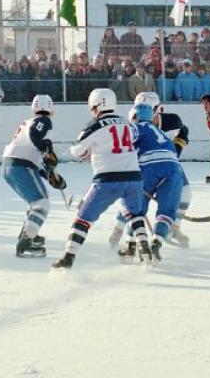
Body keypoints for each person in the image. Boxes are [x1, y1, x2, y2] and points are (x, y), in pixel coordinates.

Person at [51, 89, 149, 269]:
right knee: (134, 215)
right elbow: (133, 139)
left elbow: (77, 150)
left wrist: (88, 151)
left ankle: (68, 258)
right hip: (134, 177)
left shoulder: (95, 124)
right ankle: (146, 251)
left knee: (83, 218)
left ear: (96, 105)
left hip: (107, 178)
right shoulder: (127, 123)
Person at [109, 92, 192, 248]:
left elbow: (182, 136)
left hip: (168, 161)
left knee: (186, 192)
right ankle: (119, 228)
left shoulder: (172, 121)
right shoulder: (134, 119)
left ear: (159, 109)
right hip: (143, 163)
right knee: (134, 198)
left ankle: (173, 228)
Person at [2, 95, 65, 258]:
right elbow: (35, 137)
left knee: (35, 202)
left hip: (10, 165)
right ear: (51, 108)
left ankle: (29, 233)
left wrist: (51, 176)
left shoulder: (28, 121)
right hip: (21, 165)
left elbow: (37, 157)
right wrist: (46, 148)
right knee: (42, 203)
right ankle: (25, 242)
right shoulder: (44, 120)